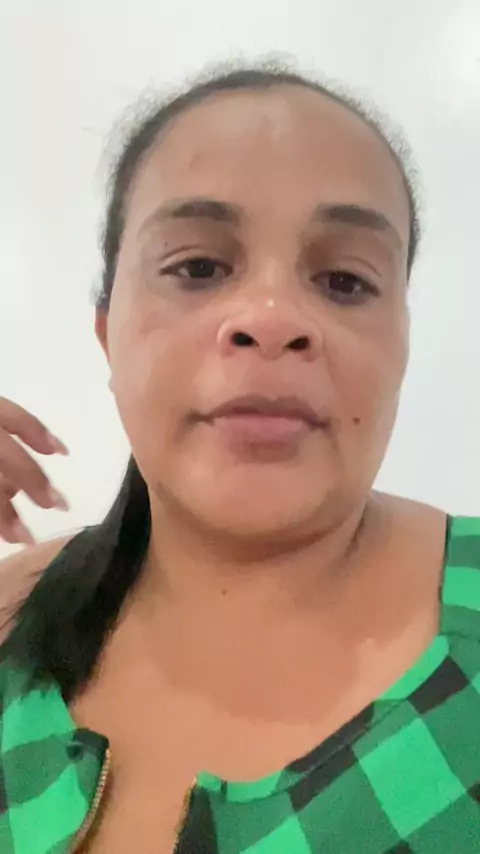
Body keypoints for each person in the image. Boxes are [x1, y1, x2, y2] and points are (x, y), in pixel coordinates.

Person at [0, 63, 479, 854]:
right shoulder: (12, 612)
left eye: (345, 280)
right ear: (106, 334)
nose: (272, 317)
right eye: (198, 268)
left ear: (403, 345)